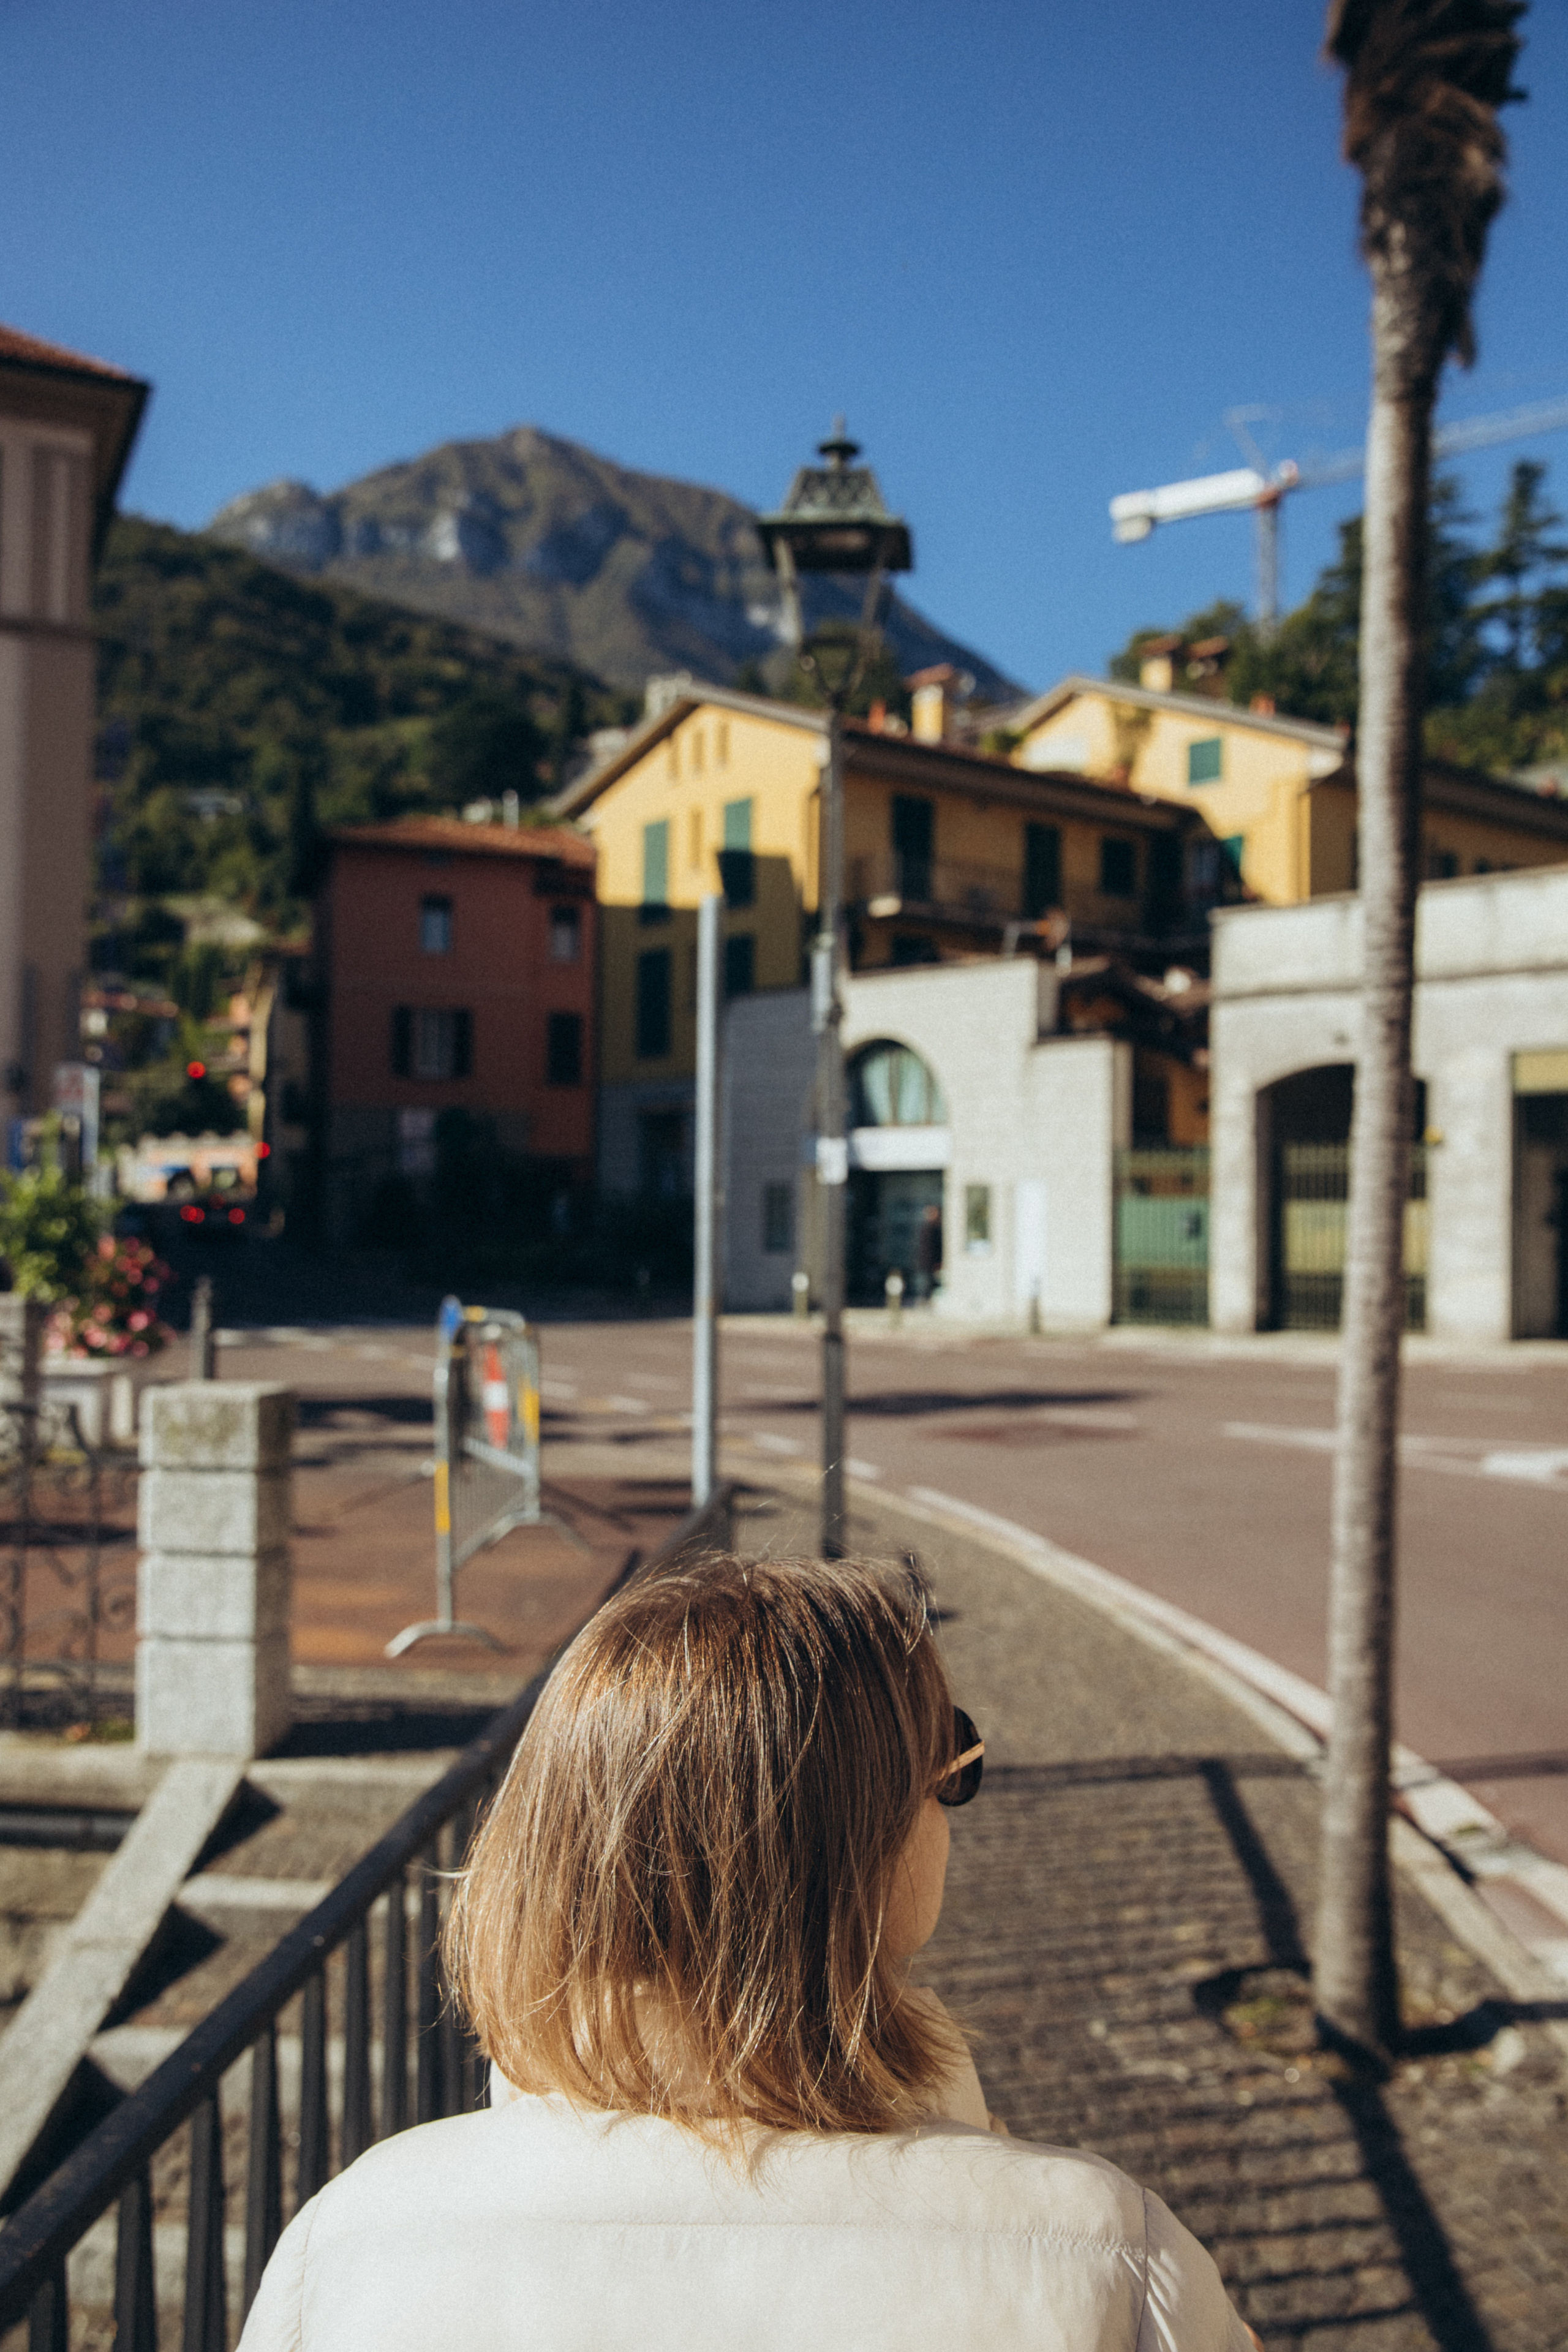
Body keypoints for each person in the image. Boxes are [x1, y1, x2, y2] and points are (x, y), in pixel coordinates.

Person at [239, 1555, 1253, 2352]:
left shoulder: (354, 2242)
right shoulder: (1109, 2260)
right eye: (948, 1761)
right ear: (865, 1842)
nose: (953, 1795)